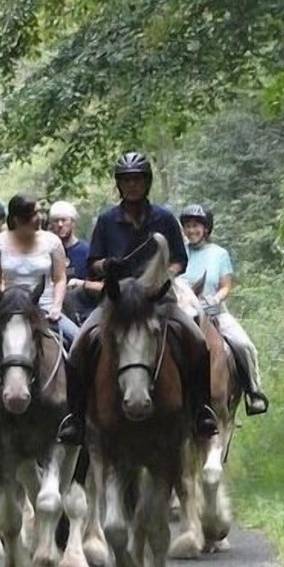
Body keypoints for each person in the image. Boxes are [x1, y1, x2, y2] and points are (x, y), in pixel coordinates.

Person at [55, 152, 219, 445]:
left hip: (157, 299)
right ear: (120, 185)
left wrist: (160, 276)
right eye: (127, 180)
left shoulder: (164, 218)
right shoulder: (107, 220)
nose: (132, 185)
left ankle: (201, 411)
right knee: (80, 344)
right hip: (117, 301)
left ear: (147, 182)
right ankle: (76, 419)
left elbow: (179, 260)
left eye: (137, 180)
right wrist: (108, 266)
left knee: (197, 340)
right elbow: (93, 262)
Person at [0, 195, 77, 432]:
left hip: (45, 309)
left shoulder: (51, 242)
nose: (39, 218)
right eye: (33, 214)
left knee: (80, 343)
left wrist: (57, 306)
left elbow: (59, 277)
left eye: (39, 213)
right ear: (18, 219)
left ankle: (77, 412)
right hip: (10, 310)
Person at [178, 204, 269, 416]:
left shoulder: (219, 254)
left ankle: (253, 392)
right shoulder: (180, 254)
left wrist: (216, 298)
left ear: (206, 228)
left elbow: (226, 285)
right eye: (188, 226)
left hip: (214, 312)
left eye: (196, 226)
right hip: (183, 315)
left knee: (244, 345)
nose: (192, 230)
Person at [48, 200, 96, 324]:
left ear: (73, 222)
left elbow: (99, 284)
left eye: (64, 220)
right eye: (55, 221)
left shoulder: (87, 251)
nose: (60, 224)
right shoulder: (47, 252)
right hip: (53, 310)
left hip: (83, 311)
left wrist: (80, 283)